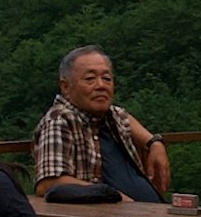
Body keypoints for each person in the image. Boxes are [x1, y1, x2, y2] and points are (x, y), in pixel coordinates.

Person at [33, 42, 173, 204]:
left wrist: (155, 143)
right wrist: (112, 196)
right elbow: (48, 183)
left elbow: (124, 115)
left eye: (106, 78)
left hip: (150, 214)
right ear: (65, 87)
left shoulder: (110, 115)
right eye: (90, 79)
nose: (101, 85)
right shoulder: (60, 120)